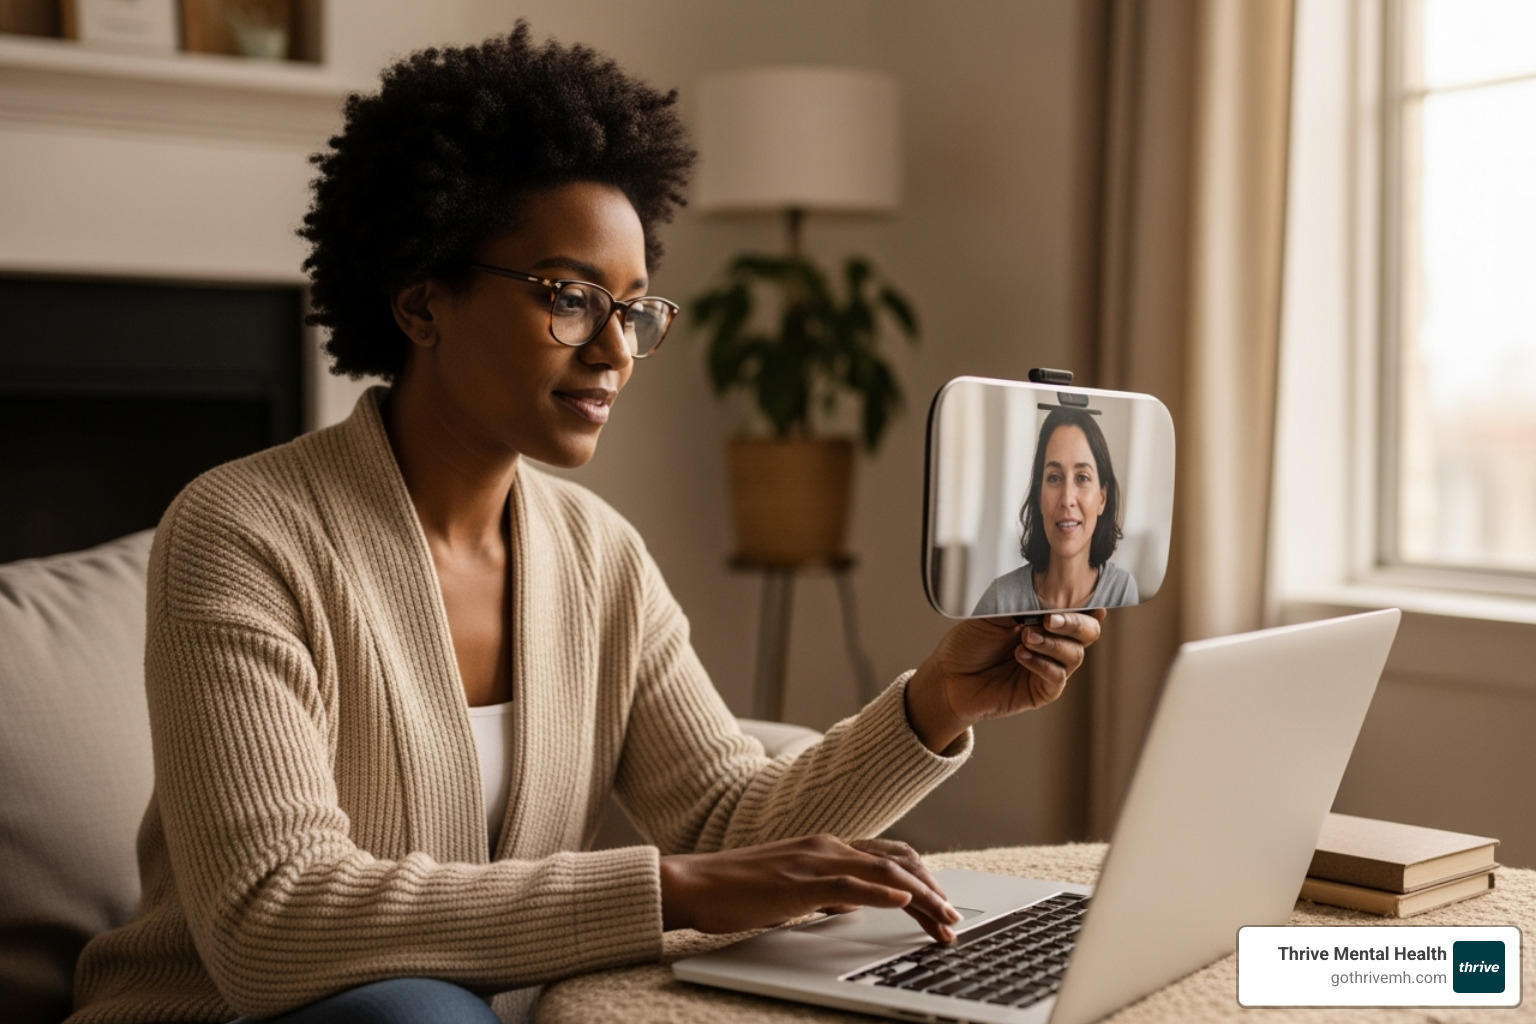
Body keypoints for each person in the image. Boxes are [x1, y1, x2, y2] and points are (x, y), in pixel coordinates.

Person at [68, 25, 1103, 1024]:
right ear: (422, 305)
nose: (613, 349)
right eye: (569, 296)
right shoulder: (243, 531)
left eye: (636, 307)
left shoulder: (597, 553)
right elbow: (271, 920)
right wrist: (674, 889)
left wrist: (933, 704)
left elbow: (725, 821)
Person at [971, 407, 1139, 615]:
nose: (1067, 499)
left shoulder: (1122, 591)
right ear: (1040, 495)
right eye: (1054, 478)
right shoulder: (1000, 600)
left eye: (1082, 478)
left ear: (1102, 498)